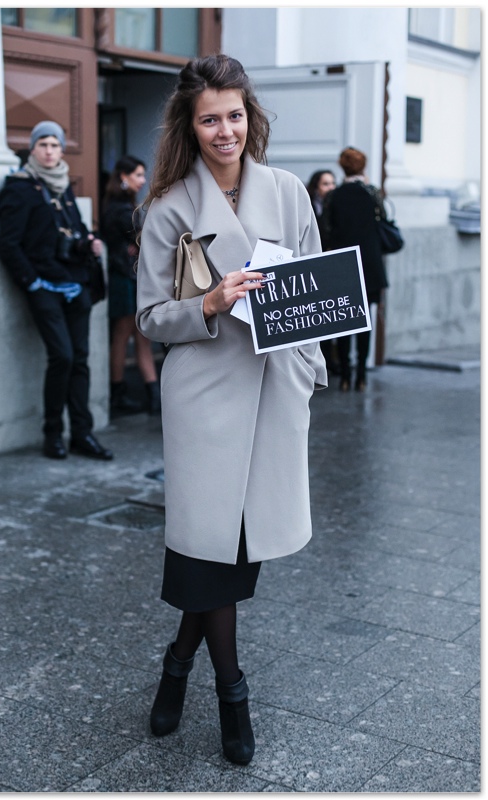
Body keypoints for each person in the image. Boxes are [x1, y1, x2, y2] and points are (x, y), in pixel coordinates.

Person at [135, 54, 327, 766]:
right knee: (211, 549)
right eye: (211, 118)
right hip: (204, 398)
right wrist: (210, 304)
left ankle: (176, 667)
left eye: (236, 115)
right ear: (190, 125)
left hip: (274, 391)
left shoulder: (287, 191)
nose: (226, 130)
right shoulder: (168, 206)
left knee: (235, 553)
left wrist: (309, 374)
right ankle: (231, 694)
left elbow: (311, 291)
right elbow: (152, 318)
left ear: (252, 117)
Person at [0, 120, 113, 461]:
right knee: (61, 356)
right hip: (43, 286)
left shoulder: (64, 186)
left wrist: (88, 243)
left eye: (55, 145)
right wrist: (32, 282)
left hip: (75, 284)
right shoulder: (18, 188)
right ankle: (53, 434)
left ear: (62, 150)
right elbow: (9, 245)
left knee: (80, 360)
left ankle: (82, 433)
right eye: (43, 144)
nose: (49, 151)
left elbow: (71, 233)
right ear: (32, 148)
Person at [321, 147, 388, 392]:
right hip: (370, 264)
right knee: (366, 321)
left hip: (342, 264)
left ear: (343, 167)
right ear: (363, 167)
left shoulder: (334, 196)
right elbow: (384, 220)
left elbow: (326, 230)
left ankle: (346, 376)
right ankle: (361, 375)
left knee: (346, 321)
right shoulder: (372, 193)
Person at [101, 155, 161, 416]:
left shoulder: (124, 206)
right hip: (125, 278)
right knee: (124, 334)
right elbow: (144, 237)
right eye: (137, 175)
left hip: (131, 277)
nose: (142, 180)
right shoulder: (120, 209)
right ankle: (120, 392)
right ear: (123, 177)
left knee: (140, 336)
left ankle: (152, 395)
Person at [305, 169, 339, 374]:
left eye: (333, 183)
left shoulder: (336, 206)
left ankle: (330, 361)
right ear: (316, 186)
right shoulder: (309, 205)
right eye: (326, 183)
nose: (331, 188)